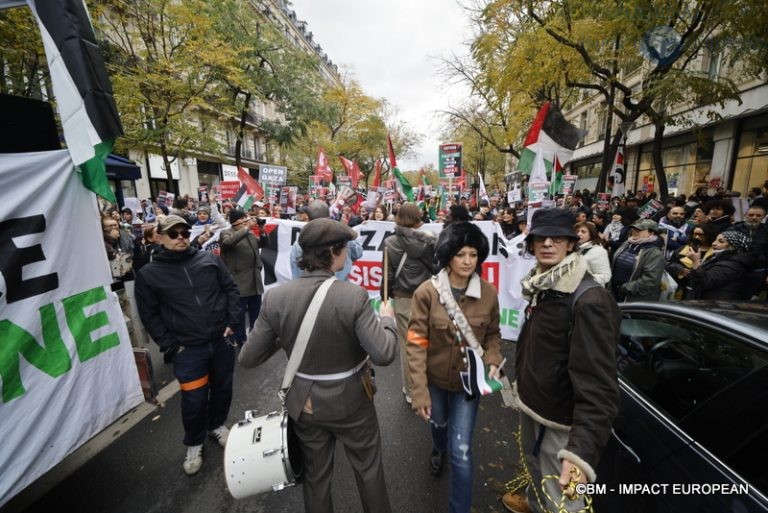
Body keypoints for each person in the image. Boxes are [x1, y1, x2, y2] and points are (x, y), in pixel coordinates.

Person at [240, 218, 398, 513]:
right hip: (352, 404)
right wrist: (388, 319)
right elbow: (385, 353)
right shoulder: (353, 296)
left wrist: (283, 330)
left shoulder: (275, 298)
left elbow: (248, 358)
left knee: (316, 478)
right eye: (345, 249)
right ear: (333, 252)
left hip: (305, 404)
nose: (348, 254)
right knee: (369, 472)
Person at [502, 208, 620, 513]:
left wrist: (579, 452)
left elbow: (599, 388)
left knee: (563, 502)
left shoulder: (589, 300)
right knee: (535, 469)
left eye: (558, 238)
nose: (547, 244)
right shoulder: (542, 284)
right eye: (540, 238)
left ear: (571, 243)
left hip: (560, 423)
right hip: (534, 405)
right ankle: (532, 503)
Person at [407, 221, 503, 513]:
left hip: (468, 386)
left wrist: (493, 360)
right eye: (461, 254)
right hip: (434, 380)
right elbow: (415, 343)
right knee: (439, 425)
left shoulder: (488, 293)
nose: (467, 261)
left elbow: (494, 334)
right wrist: (419, 391)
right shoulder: (427, 292)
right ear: (448, 255)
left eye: (473, 255)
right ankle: (438, 447)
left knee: (461, 452)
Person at [135, 215, 241, 475]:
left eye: (184, 232)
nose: (181, 237)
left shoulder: (208, 260)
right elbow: (149, 315)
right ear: (160, 237)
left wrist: (232, 322)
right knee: (193, 401)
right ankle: (194, 442)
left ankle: (217, 426)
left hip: (220, 341)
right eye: (173, 233)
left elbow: (230, 290)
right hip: (188, 351)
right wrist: (170, 345)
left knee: (222, 388)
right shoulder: (149, 274)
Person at [381, 203, 437, 405]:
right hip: (427, 298)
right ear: (417, 218)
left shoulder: (389, 242)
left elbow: (387, 275)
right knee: (426, 342)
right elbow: (436, 268)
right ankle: (430, 385)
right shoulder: (429, 241)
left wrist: (385, 299)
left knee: (408, 346)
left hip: (404, 299)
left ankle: (412, 390)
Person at [219, 208, 268, 345]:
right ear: (236, 221)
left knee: (256, 313)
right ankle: (240, 339)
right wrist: (246, 228)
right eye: (243, 218)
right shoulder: (226, 233)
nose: (247, 220)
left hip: (254, 281)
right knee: (239, 315)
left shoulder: (249, 233)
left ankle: (255, 339)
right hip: (239, 282)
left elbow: (263, 243)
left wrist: (262, 230)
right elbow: (228, 243)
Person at [290, 200, 363, 281]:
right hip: (340, 290)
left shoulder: (299, 243)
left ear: (309, 219)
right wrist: (345, 231)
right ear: (329, 216)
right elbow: (358, 253)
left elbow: (296, 272)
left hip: (307, 291)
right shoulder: (342, 237)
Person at [685, 230, 755, 300]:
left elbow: (706, 282)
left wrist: (696, 262)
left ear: (733, 246)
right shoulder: (719, 258)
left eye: (721, 241)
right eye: (715, 240)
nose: (713, 243)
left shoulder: (733, 265)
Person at [611, 218, 665, 302]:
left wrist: (625, 288)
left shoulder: (655, 253)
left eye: (639, 229)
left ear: (651, 232)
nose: (634, 231)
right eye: (633, 229)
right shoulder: (627, 243)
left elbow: (650, 281)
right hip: (616, 294)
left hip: (635, 300)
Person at [574, 221, 612, 286]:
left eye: (583, 232)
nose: (579, 234)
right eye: (577, 231)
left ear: (591, 234)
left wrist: (581, 279)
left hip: (590, 290)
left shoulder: (598, 251)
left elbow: (606, 276)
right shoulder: (578, 248)